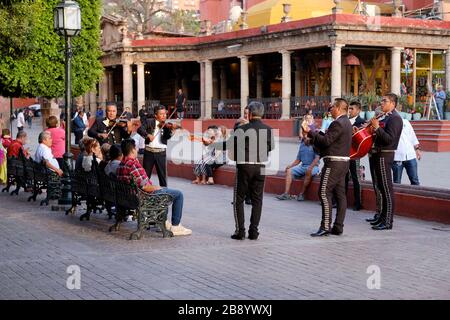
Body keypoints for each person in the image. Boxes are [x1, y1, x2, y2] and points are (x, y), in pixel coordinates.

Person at [215, 102, 274, 240]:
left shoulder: (243, 128)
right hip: (260, 166)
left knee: (238, 199)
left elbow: (228, 145)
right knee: (257, 200)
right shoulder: (268, 129)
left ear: (251, 114)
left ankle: (240, 231)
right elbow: (271, 147)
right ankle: (253, 232)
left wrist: (211, 144)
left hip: (244, 166)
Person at [117, 139, 192, 236]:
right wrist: (157, 188)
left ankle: (163, 223)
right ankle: (176, 226)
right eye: (135, 148)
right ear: (132, 150)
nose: (137, 149)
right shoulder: (133, 164)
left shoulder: (121, 165)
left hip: (129, 197)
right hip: (143, 197)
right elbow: (145, 187)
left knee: (165, 190)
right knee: (178, 194)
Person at [302, 98, 352, 237]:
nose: (330, 110)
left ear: (337, 108)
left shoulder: (338, 123)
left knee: (324, 192)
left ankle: (325, 226)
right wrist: (315, 133)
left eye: (331, 107)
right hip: (343, 163)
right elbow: (331, 140)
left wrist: (311, 132)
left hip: (334, 163)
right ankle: (338, 226)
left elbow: (325, 142)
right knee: (340, 195)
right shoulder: (346, 122)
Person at [367, 93, 403, 230]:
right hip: (377, 154)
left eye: (385, 101)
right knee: (381, 188)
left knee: (387, 189)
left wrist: (377, 128)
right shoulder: (385, 117)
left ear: (393, 103)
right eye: (381, 100)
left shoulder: (395, 118)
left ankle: (388, 221)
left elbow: (389, 140)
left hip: (385, 155)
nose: (381, 103)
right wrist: (371, 128)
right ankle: (382, 217)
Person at [137, 105, 179, 187]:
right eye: (161, 114)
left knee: (163, 177)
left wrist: (172, 131)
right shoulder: (149, 121)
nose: (164, 116)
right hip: (149, 152)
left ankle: (164, 196)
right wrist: (148, 135)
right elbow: (140, 129)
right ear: (156, 115)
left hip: (161, 153)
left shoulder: (166, 125)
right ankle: (143, 195)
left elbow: (167, 137)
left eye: (165, 114)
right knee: (145, 177)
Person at [276, 131, 320, 201]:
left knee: (308, 172)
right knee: (289, 171)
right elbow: (298, 160)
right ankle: (286, 194)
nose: (304, 137)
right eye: (304, 136)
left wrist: (310, 168)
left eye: (306, 136)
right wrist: (290, 166)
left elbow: (317, 159)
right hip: (302, 166)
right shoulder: (302, 145)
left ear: (311, 138)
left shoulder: (316, 145)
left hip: (313, 167)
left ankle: (302, 194)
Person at [345, 101, 366, 211]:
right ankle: (341, 202)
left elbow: (362, 140)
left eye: (352, 109)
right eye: (349, 109)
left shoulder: (362, 122)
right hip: (344, 153)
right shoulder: (345, 120)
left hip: (354, 154)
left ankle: (358, 203)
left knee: (356, 178)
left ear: (358, 110)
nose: (350, 111)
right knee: (343, 178)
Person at [392, 118, 421, 185]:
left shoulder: (406, 122)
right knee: (397, 182)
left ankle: (416, 195)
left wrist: (417, 149)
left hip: (410, 156)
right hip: (397, 157)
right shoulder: (389, 122)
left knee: (415, 180)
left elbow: (412, 135)